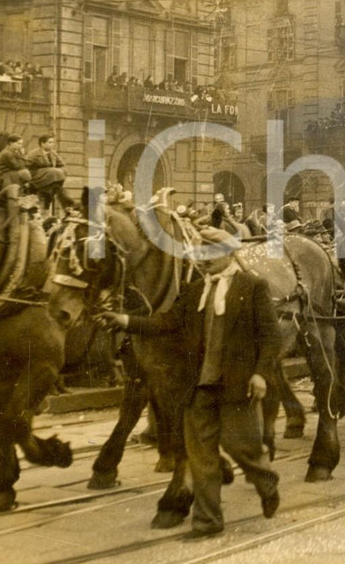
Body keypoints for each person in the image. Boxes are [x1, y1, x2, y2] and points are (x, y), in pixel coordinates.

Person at [94, 227, 281, 535]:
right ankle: (208, 521)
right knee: (201, 457)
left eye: (208, 254)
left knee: (241, 448)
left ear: (227, 254)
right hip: (199, 388)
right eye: (199, 254)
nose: (202, 261)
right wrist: (125, 321)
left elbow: (270, 337)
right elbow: (166, 322)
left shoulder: (253, 286)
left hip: (237, 385)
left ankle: (266, 481)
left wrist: (261, 373)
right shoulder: (195, 290)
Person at [25, 135, 73, 211]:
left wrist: (62, 171)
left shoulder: (53, 153)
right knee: (53, 171)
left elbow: (61, 165)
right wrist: (26, 180)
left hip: (49, 178)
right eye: (50, 142)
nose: (52, 144)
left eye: (53, 142)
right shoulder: (34, 153)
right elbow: (25, 165)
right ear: (42, 144)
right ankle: (50, 194)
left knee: (60, 173)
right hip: (36, 177)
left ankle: (67, 205)